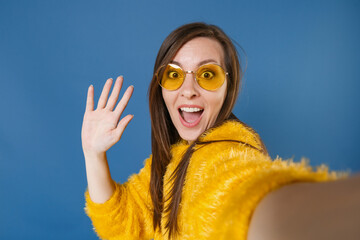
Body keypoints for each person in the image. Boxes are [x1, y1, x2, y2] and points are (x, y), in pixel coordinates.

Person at [81, 22, 360, 240]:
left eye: (207, 75)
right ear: (161, 87)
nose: (188, 91)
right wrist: (94, 155)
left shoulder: (227, 156)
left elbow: (241, 191)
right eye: (175, 75)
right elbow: (125, 225)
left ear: (228, 89)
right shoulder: (167, 163)